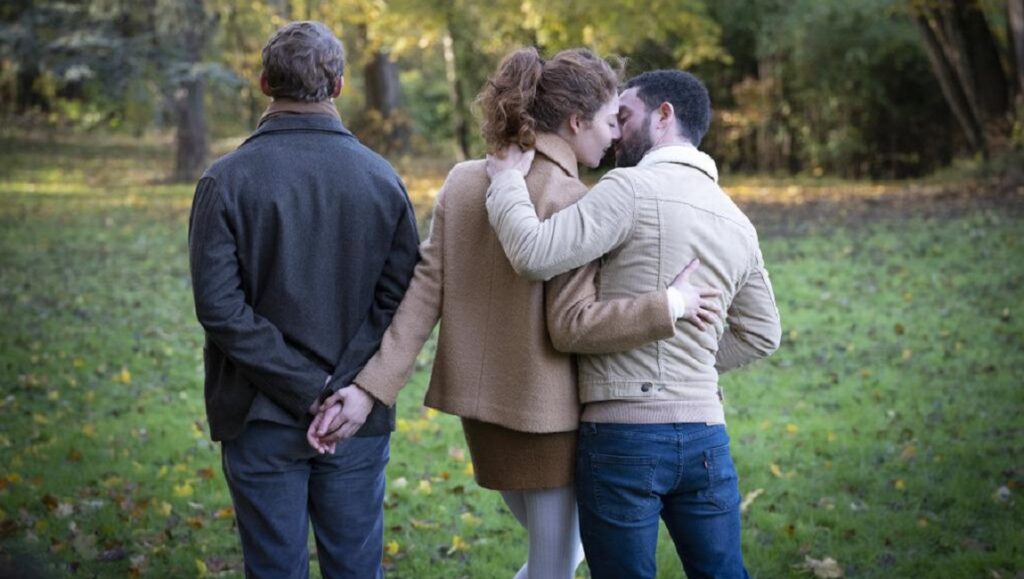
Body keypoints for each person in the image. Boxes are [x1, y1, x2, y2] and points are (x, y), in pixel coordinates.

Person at [307, 49, 720, 579]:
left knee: (560, 556)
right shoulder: (575, 197)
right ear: (575, 122)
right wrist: (671, 307)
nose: (617, 136)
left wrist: (371, 389)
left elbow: (423, 292)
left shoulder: (463, 181)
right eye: (609, 121)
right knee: (556, 565)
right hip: (548, 420)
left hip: (482, 417)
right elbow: (576, 322)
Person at [483, 70, 783, 578]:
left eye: (624, 116)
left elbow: (534, 254)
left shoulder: (629, 189)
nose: (616, 133)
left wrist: (507, 183)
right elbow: (762, 333)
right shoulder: (737, 220)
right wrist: (692, 363)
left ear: (664, 115)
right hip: (707, 435)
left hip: (624, 438)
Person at [187, 21, 419, 578]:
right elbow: (401, 299)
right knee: (356, 567)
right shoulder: (382, 180)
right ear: (338, 86)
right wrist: (342, 390)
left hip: (261, 412)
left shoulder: (225, 180)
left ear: (265, 82)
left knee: (273, 569)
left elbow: (221, 307)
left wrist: (312, 388)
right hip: (353, 414)